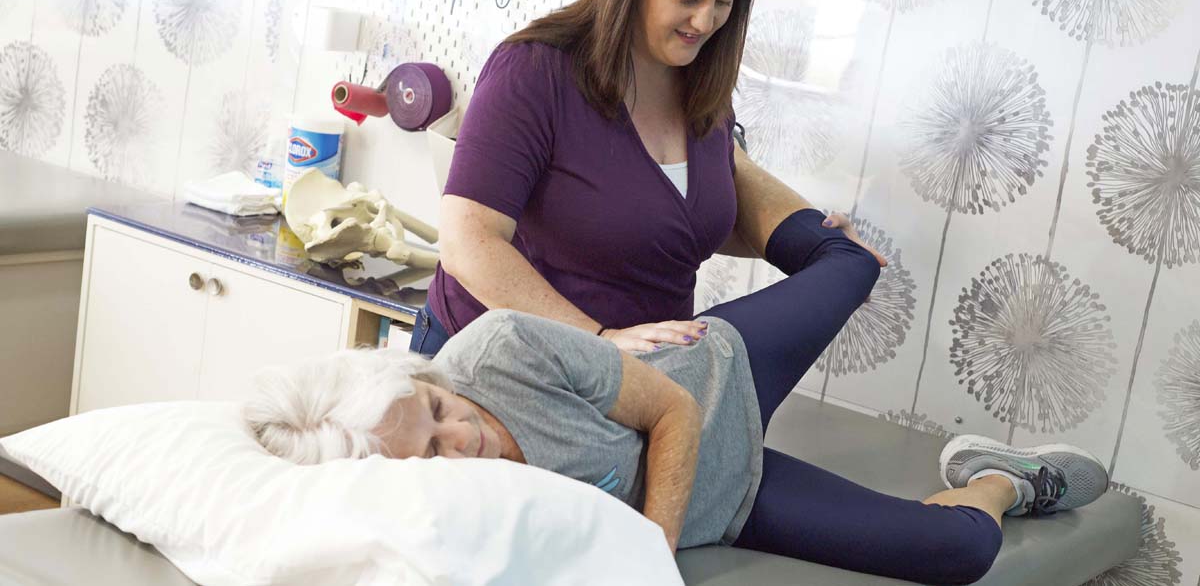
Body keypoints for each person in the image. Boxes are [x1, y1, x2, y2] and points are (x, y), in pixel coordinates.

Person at [248, 204, 1108, 586]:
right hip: (729, 499)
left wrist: (648, 558)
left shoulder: (497, 349)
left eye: (437, 409)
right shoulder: (443, 518)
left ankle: (739, 172)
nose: (459, 435)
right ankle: (1000, 476)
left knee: (852, 263)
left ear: (424, 376)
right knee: (960, 553)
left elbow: (673, 412)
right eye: (429, 450)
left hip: (715, 375)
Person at [416, 0, 886, 357]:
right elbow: (468, 244)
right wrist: (599, 340)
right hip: (498, 367)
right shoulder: (535, 72)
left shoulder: (701, 87)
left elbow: (678, 224)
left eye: (725, 2)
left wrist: (821, 251)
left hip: (628, 383)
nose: (706, 22)